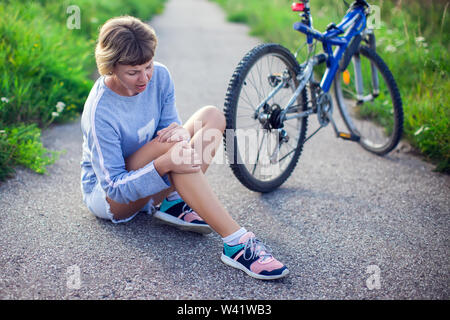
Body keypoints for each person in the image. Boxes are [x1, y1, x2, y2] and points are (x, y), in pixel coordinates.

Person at [80, 15, 289, 280]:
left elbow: (169, 127)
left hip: (151, 168)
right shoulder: (100, 110)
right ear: (110, 68)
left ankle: (171, 201)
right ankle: (236, 241)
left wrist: (179, 132)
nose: (144, 78)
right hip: (110, 196)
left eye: (148, 66)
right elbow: (115, 187)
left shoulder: (161, 76)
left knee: (212, 117)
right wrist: (165, 163)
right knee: (174, 153)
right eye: (133, 72)